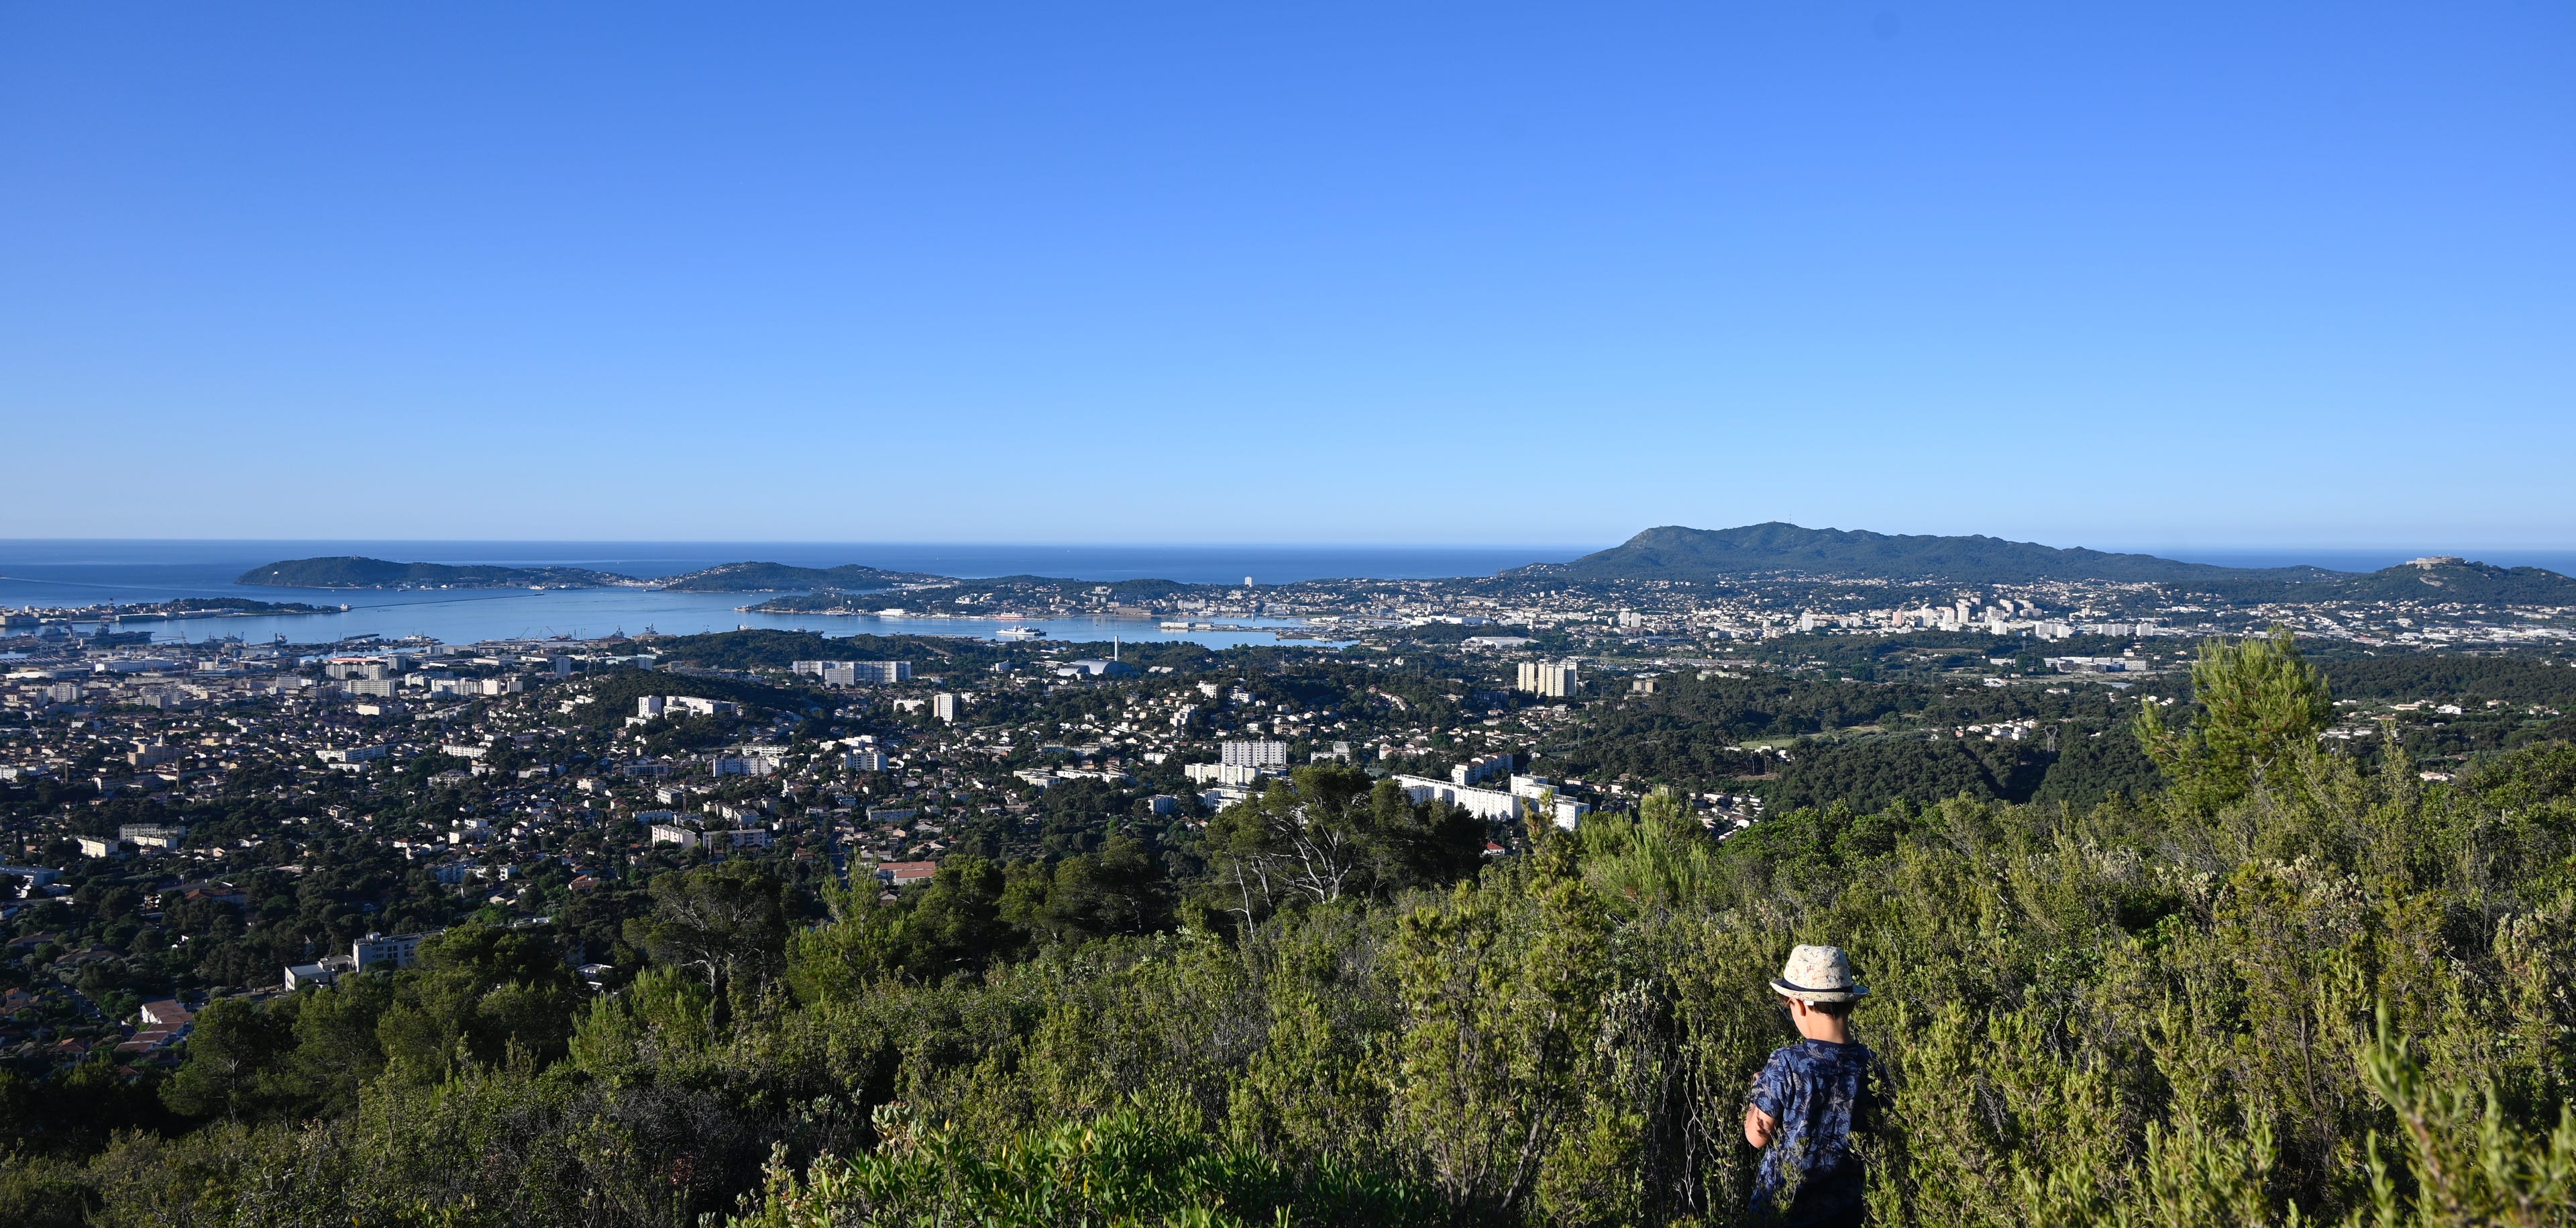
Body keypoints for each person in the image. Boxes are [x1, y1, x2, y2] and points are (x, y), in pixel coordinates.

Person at [1743, 943, 1878, 1226]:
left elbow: (1757, 1137)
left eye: (1788, 1006)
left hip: (1785, 1211)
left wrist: (1760, 1092)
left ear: (1801, 1004)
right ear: (1850, 1003)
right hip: (1849, 1212)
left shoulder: (1787, 1062)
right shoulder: (1872, 1064)